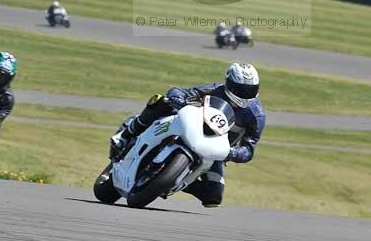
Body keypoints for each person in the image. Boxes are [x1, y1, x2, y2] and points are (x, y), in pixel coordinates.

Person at [109, 62, 265, 208]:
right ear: (228, 84)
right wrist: (179, 99)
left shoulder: (256, 116)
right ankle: (126, 135)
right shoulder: (216, 89)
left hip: (215, 149)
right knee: (162, 102)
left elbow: (249, 148)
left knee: (213, 197)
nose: (245, 95)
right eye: (240, 90)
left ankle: (172, 182)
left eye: (250, 90)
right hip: (192, 128)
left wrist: (231, 153)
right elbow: (181, 90)